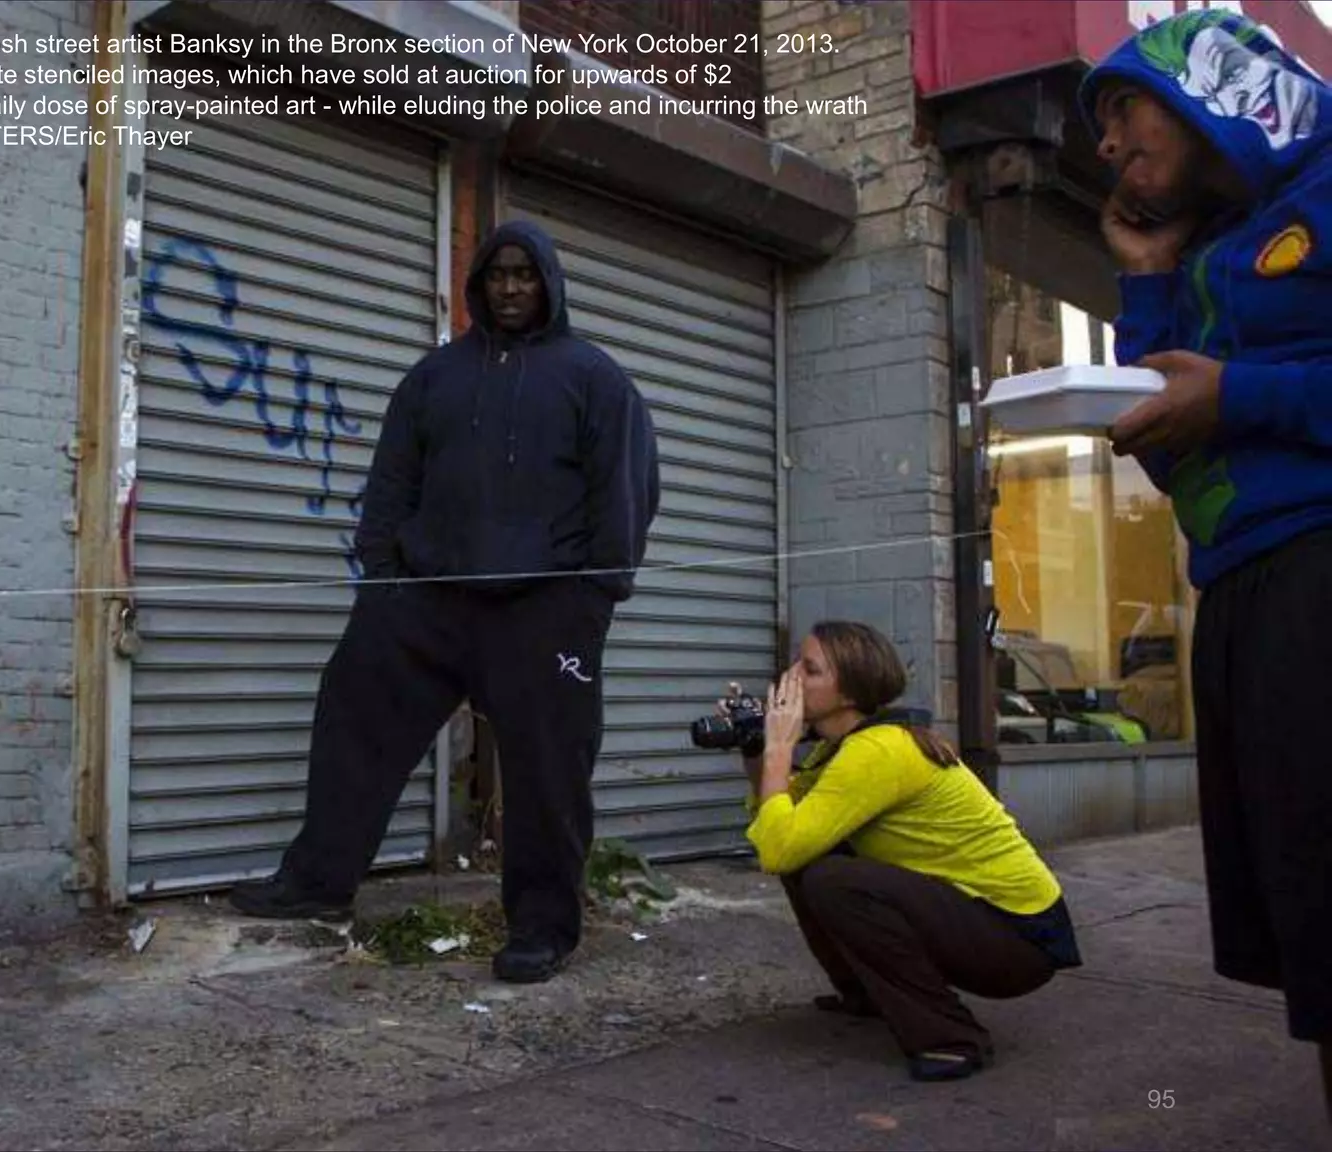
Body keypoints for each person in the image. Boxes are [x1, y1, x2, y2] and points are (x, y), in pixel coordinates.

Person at [229, 220, 661, 984]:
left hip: (543, 608)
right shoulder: (433, 377)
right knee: (352, 715)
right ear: (477, 285)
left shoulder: (594, 377)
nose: (512, 288)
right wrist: (384, 578)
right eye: (497, 274)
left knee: (549, 772)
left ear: (550, 283)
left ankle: (542, 928)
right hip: (425, 601)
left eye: (527, 274)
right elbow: (392, 482)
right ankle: (318, 881)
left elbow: (623, 492)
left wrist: (595, 598)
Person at [1081, 8, 1332, 1117]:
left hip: (1320, 571)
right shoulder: (1214, 254)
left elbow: (1219, 401)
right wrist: (1143, 281)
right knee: (1310, 921)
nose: (1102, 143)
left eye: (1120, 105)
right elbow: (1170, 435)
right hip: (1241, 591)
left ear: (1207, 92)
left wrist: (1234, 393)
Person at [737, 621, 1081, 1082]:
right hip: (981, 919)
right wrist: (756, 749)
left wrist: (780, 749)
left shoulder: (878, 750)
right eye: (798, 662)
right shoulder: (847, 748)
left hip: (1020, 938)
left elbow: (776, 849)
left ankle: (952, 1038)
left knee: (831, 879)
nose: (792, 677)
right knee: (811, 859)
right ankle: (864, 994)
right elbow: (782, 821)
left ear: (850, 691)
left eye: (811, 669)